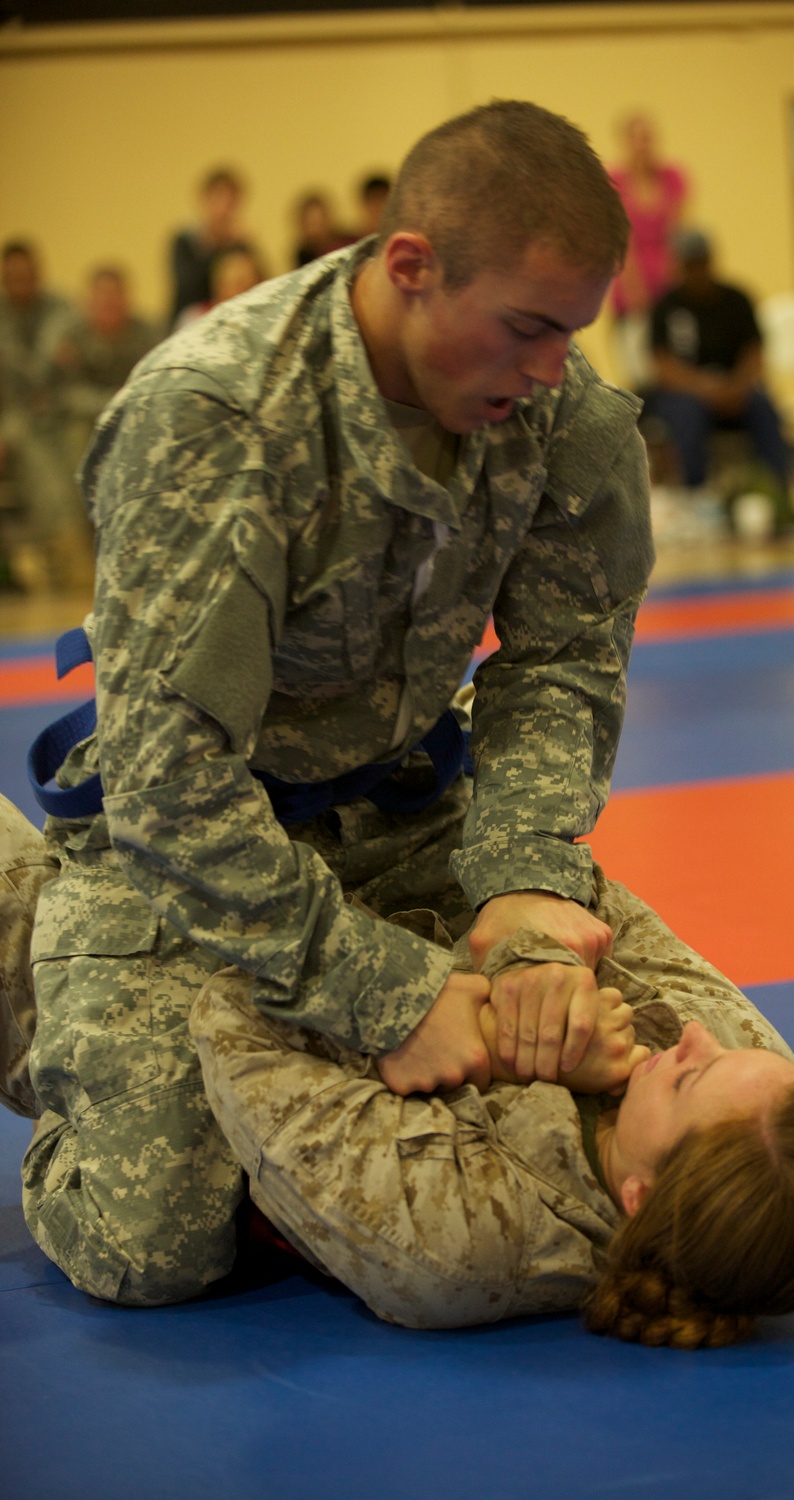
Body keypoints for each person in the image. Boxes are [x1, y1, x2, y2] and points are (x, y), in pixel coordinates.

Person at [17, 99, 657, 1310]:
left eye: (572, 333)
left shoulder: (557, 409)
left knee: (724, 1101)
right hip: (180, 848)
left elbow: (563, 656)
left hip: (407, 813)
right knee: (153, 1250)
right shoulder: (216, 417)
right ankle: (23, 965)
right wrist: (386, 996)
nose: (550, 370)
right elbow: (168, 784)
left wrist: (523, 876)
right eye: (526, 329)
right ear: (409, 267)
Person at [188, 871, 794, 1347]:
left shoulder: (454, 1232)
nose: (691, 1038)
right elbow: (591, 905)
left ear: (639, 1195)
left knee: (151, 1245)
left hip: (264, 897)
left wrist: (494, 1044)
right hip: (436, 851)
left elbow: (238, 1005)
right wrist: (532, 960)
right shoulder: (754, 1083)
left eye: (690, 1078)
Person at [644, 229, 794, 529]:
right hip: (686, 394)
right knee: (686, 412)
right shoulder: (665, 306)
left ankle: (779, 494)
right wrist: (704, 389)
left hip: (734, 390)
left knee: (764, 407)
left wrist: (736, 387)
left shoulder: (736, 299)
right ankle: (697, 500)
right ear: (679, 266)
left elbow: (754, 353)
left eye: (701, 262)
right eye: (690, 264)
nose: (697, 270)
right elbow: (662, 367)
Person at [0, 240, 89, 588]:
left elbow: (75, 371)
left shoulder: (63, 310)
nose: (22, 282)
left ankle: (72, 554)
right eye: (13, 277)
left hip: (60, 411)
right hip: (14, 418)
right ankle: (59, 559)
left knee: (77, 449)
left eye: (27, 275)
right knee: (34, 455)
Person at [607, 114, 688, 390]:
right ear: (626, 142)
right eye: (637, 138)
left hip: (668, 287)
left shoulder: (672, 178)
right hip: (630, 291)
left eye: (648, 138)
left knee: (674, 369)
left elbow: (676, 233)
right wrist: (635, 289)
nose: (643, 145)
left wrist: (675, 284)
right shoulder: (614, 181)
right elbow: (622, 240)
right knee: (639, 375)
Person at [57, 266, 160, 471]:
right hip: (90, 419)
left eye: (115, 294)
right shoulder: (74, 338)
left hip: (136, 414)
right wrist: (110, 402)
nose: (109, 302)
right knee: (75, 435)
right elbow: (69, 392)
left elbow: (155, 383)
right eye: (102, 295)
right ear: (89, 301)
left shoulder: (146, 335)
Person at [167, 166, 256, 329]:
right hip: (191, 325)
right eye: (218, 199)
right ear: (205, 200)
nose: (223, 210)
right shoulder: (185, 242)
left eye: (230, 203)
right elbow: (187, 288)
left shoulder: (240, 245)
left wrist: (246, 246)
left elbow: (259, 284)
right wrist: (212, 246)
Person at [291, 190, 355, 269]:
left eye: (318, 222)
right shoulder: (304, 256)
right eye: (311, 224)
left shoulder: (349, 244)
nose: (315, 229)